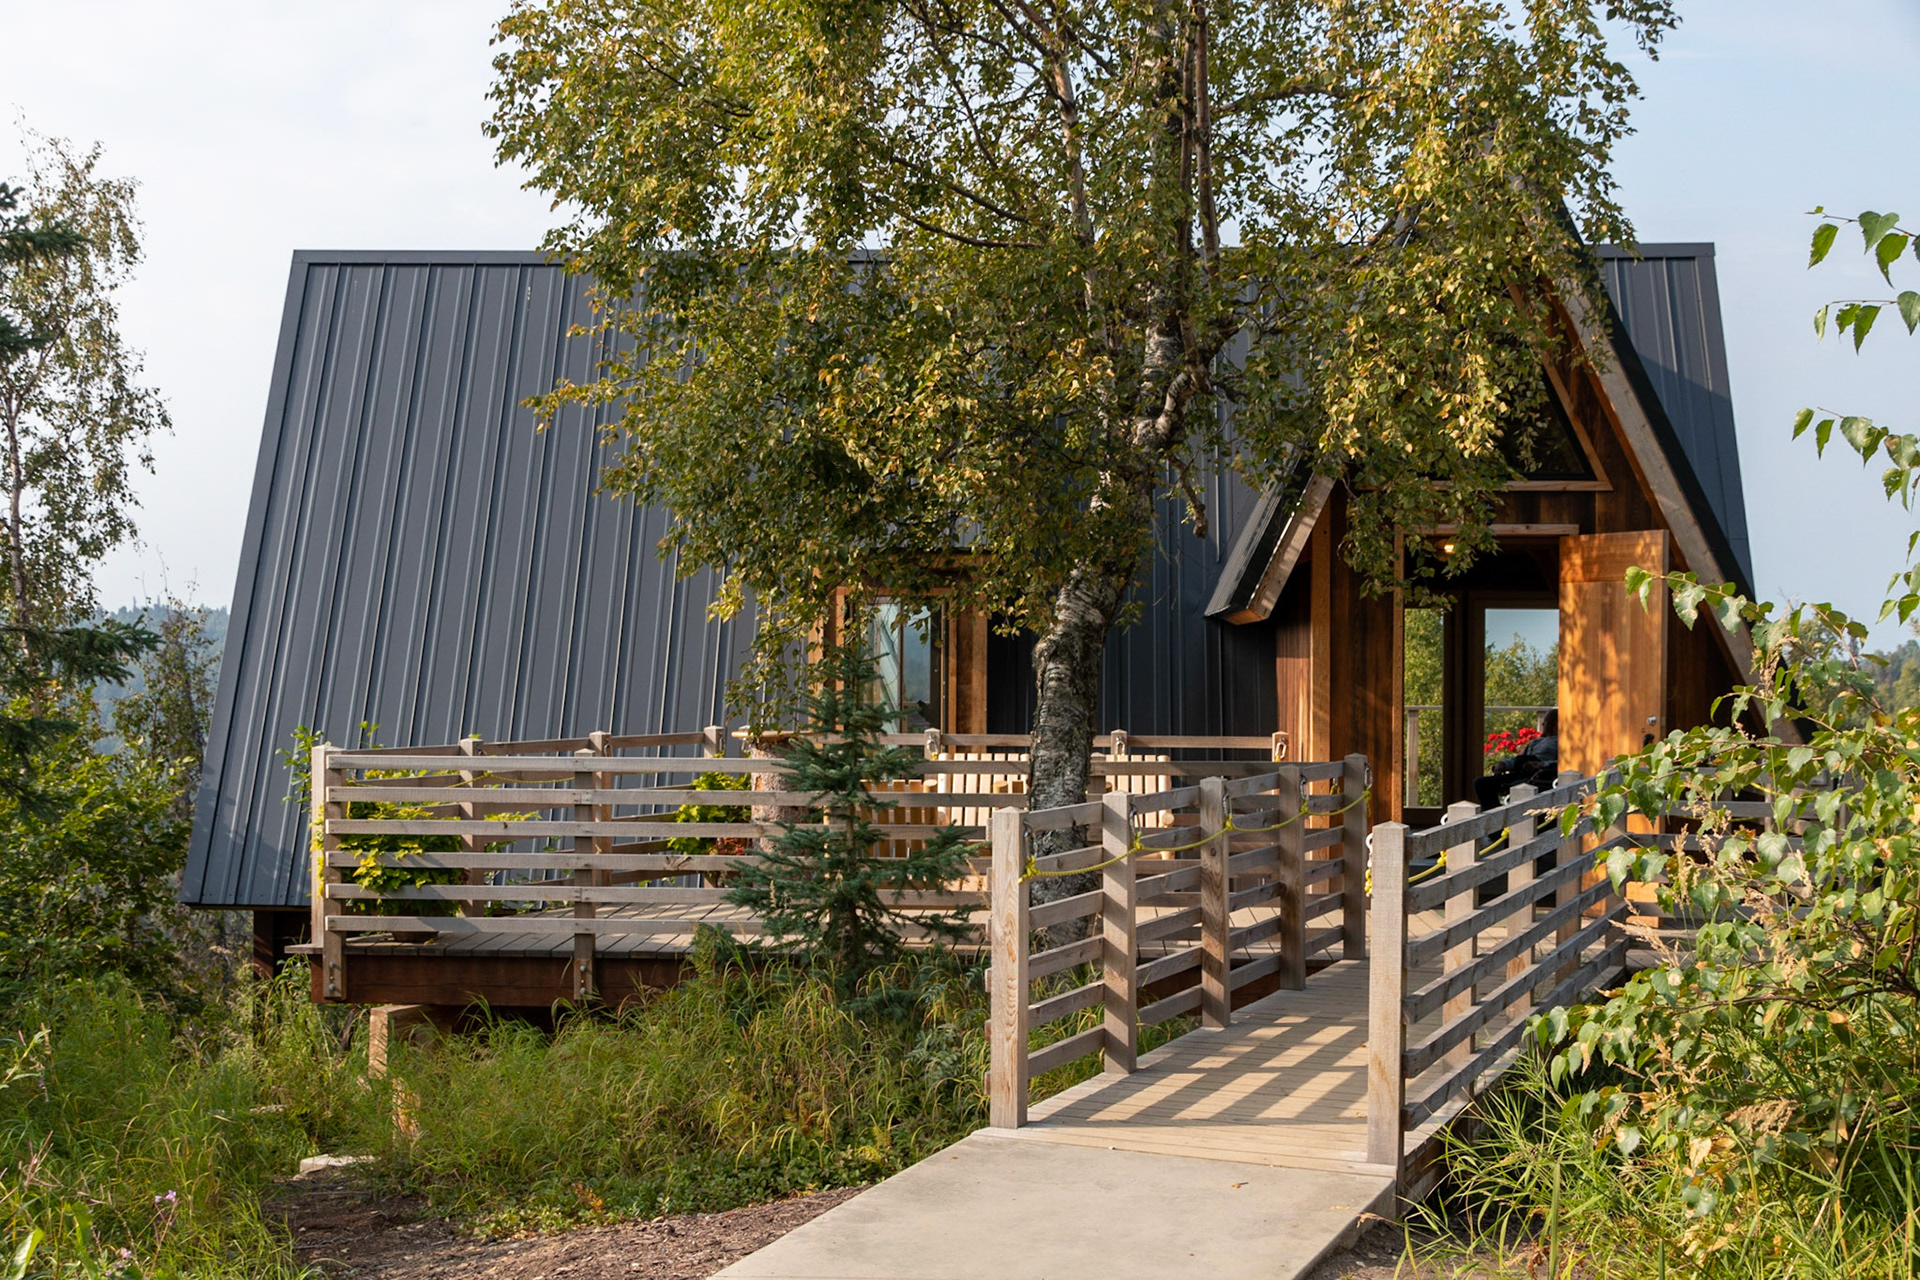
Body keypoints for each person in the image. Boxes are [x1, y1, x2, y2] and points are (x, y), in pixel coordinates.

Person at [1472, 708, 1558, 811]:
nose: (1543, 725)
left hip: (1539, 776)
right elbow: (1519, 758)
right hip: (1520, 771)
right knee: (1480, 783)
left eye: (1547, 722)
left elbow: (1561, 763)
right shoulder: (1536, 742)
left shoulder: (1560, 741)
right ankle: (1495, 813)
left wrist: (1541, 765)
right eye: (1544, 722)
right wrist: (1503, 764)